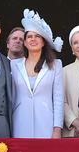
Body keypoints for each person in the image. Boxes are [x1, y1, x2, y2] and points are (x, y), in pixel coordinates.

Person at [9, 9, 64, 139]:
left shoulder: (56, 65)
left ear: (43, 41)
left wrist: (57, 129)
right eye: (29, 37)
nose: (33, 39)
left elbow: (58, 99)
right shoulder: (13, 65)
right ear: (25, 42)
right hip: (20, 122)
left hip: (46, 123)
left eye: (37, 36)